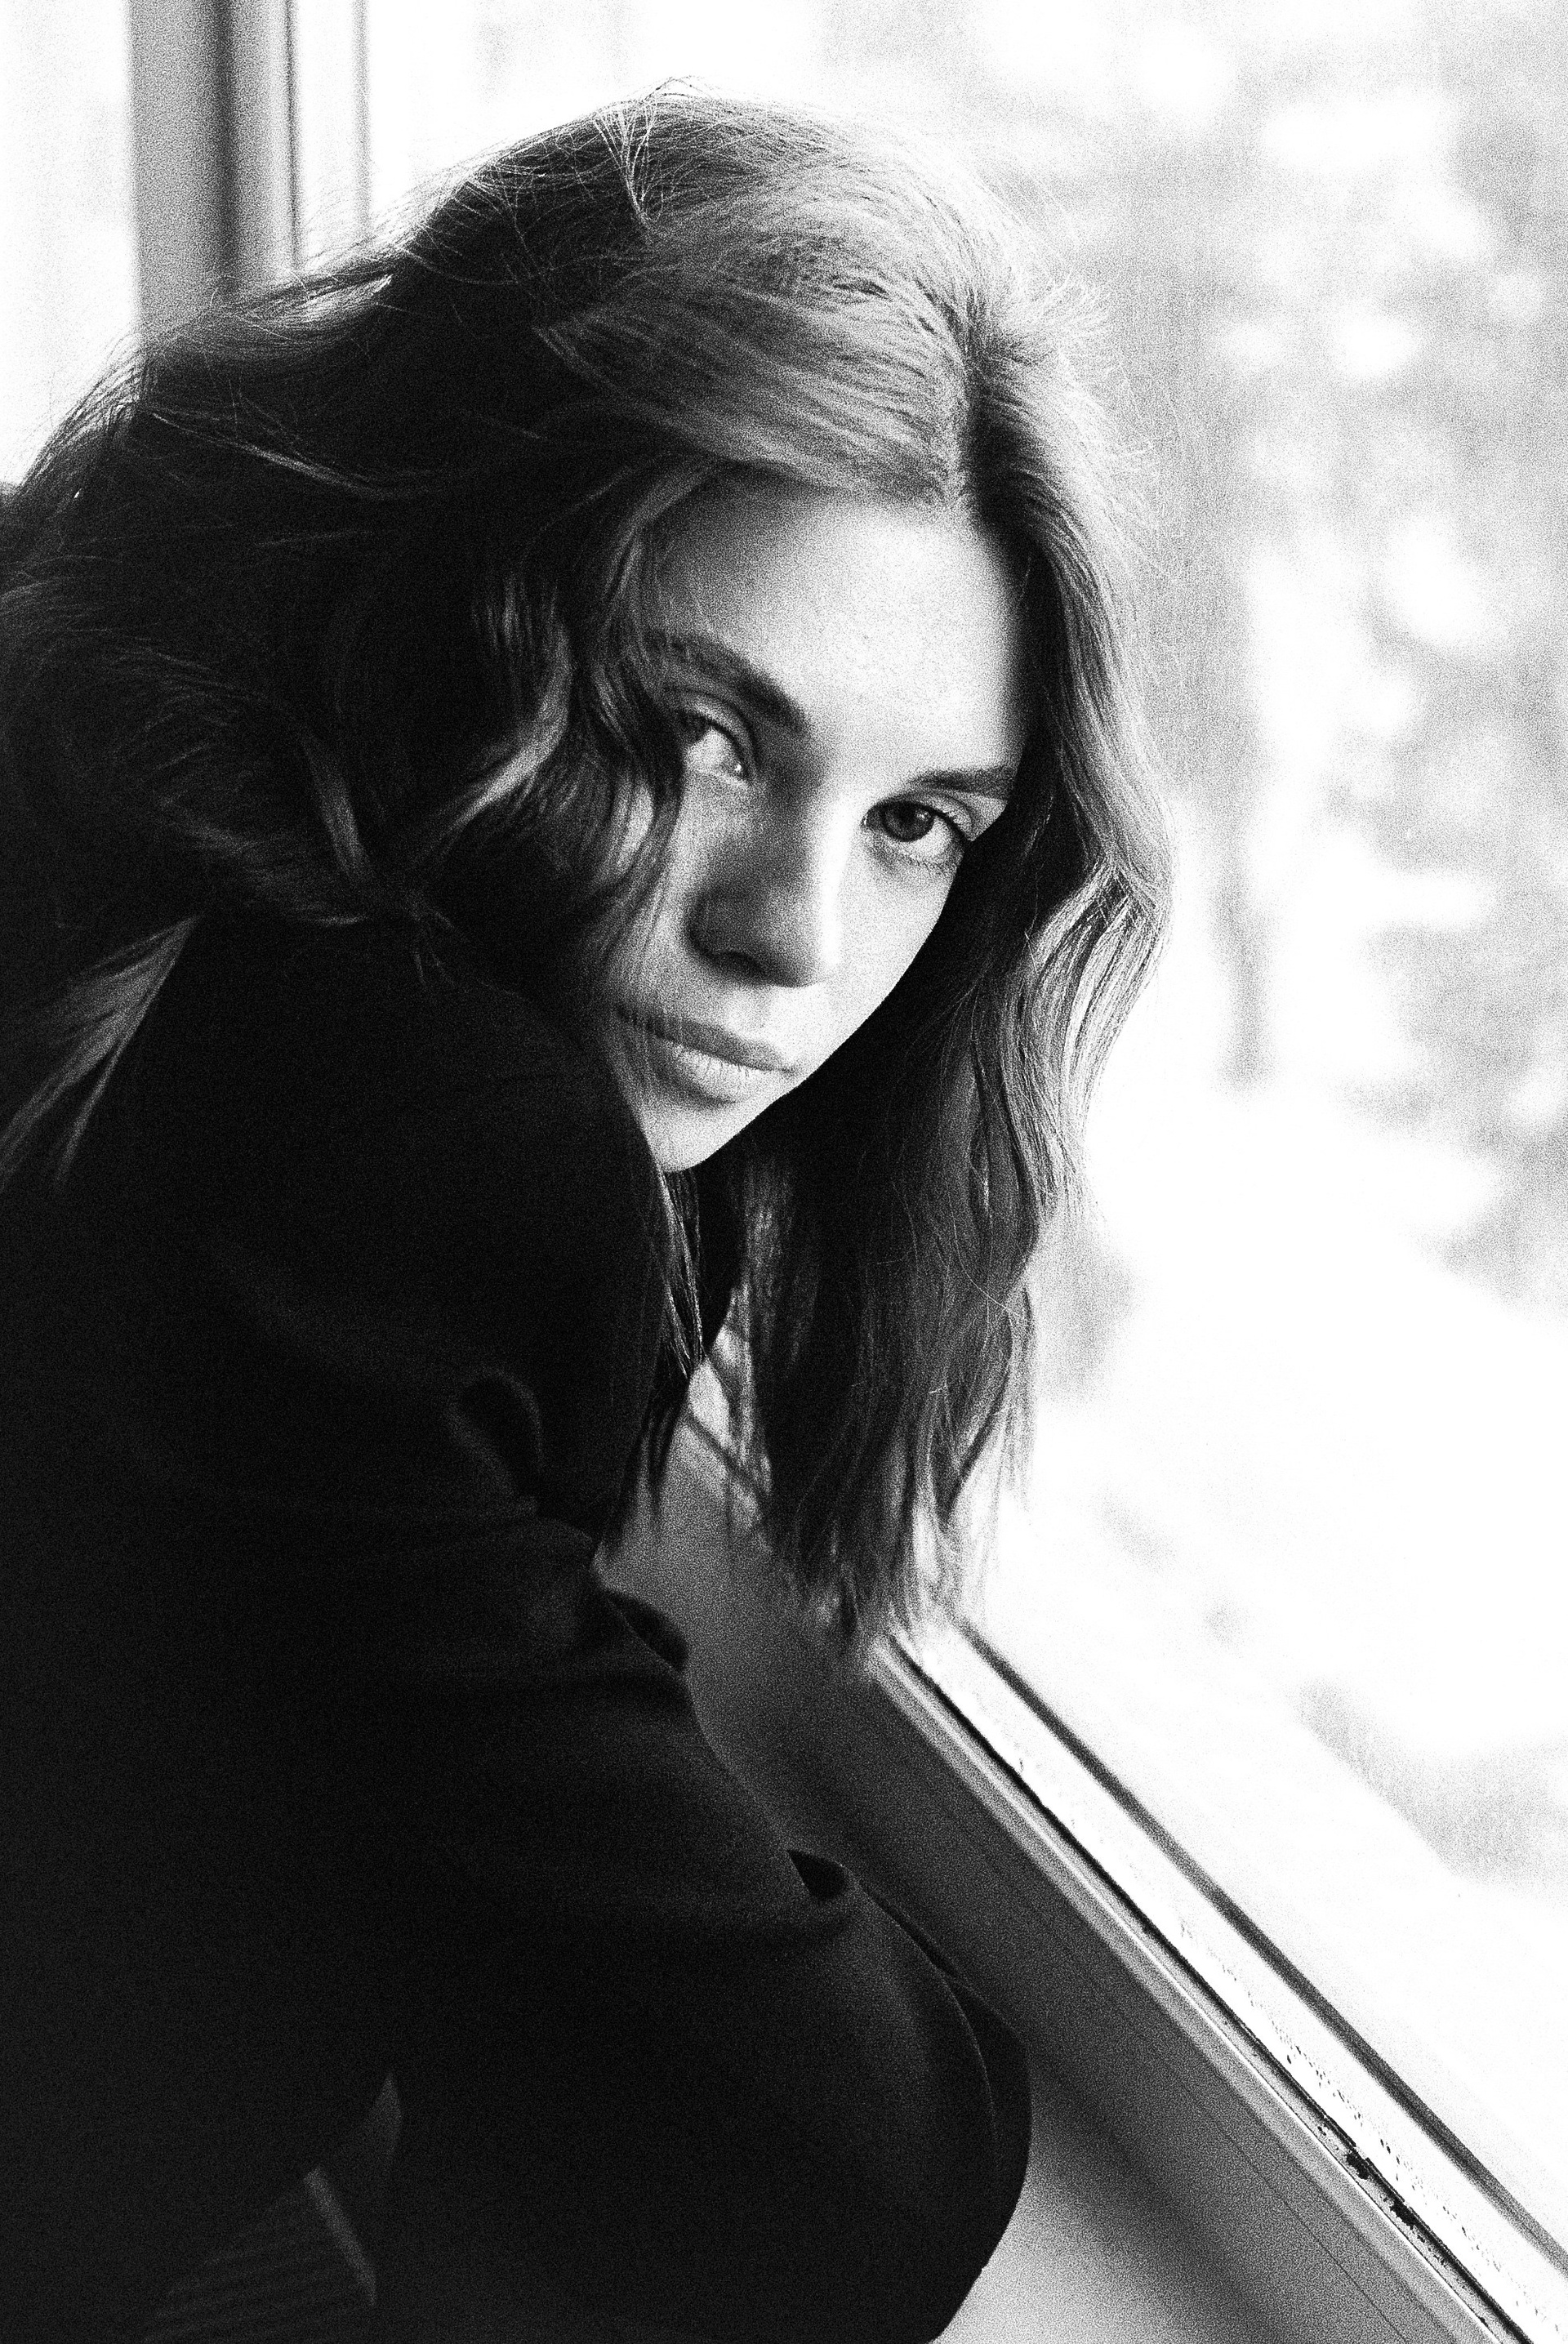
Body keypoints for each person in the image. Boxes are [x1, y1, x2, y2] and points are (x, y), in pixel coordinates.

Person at [0, 89, 1168, 2344]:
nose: (792, 937)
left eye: (919, 821)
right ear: (423, 600)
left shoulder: (131, 918)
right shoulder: (381, 1140)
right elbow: (833, 2169)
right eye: (703, 730)